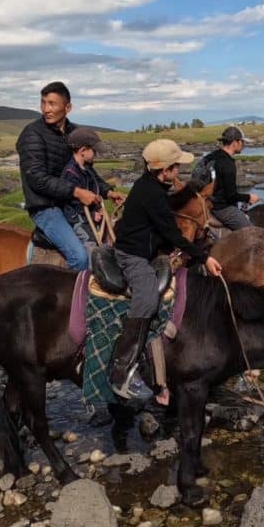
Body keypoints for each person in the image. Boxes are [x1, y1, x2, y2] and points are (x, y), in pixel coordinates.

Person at [108, 138, 223, 401]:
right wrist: (203, 257)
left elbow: (158, 231)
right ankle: (121, 370)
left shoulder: (153, 186)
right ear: (164, 170)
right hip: (132, 256)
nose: (178, 172)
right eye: (176, 168)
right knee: (147, 298)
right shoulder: (151, 193)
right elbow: (170, 232)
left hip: (144, 249)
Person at [16, 81, 95, 271]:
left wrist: (109, 192)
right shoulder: (32, 134)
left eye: (52, 104)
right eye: (43, 103)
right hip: (46, 207)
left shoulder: (74, 132)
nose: (46, 109)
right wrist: (76, 192)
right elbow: (36, 178)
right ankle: (74, 300)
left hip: (67, 203)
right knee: (80, 257)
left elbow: (86, 169)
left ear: (67, 107)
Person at [61, 127, 125, 249]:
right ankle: (89, 267)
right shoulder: (70, 173)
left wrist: (110, 193)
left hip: (90, 217)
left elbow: (97, 183)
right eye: (94, 151)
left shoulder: (87, 168)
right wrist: (91, 214)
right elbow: (72, 201)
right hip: (78, 220)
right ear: (83, 150)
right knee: (91, 245)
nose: (96, 154)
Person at [198, 125, 260, 230]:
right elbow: (230, 196)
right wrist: (249, 197)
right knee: (252, 234)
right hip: (221, 208)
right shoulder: (228, 164)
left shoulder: (210, 156)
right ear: (235, 143)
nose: (244, 145)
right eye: (242, 142)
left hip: (206, 203)